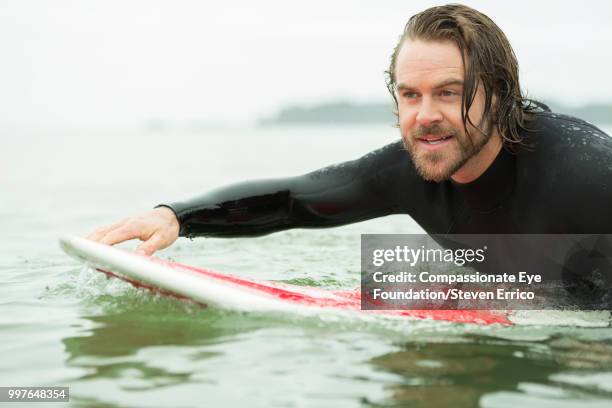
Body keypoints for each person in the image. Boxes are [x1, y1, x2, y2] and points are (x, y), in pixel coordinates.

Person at [88, 4, 612, 256]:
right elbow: (296, 198)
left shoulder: (581, 169)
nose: (424, 114)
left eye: (448, 92)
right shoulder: (412, 171)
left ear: (497, 92)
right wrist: (177, 216)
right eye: (410, 95)